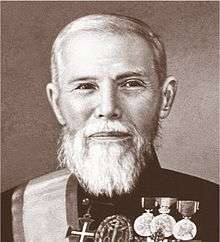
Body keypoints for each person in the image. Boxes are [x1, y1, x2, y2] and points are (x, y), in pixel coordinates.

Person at [1, 14, 219, 242]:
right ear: (57, 104)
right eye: (85, 86)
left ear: (165, 98)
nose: (108, 108)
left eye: (131, 84)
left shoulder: (215, 209)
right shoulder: (8, 215)